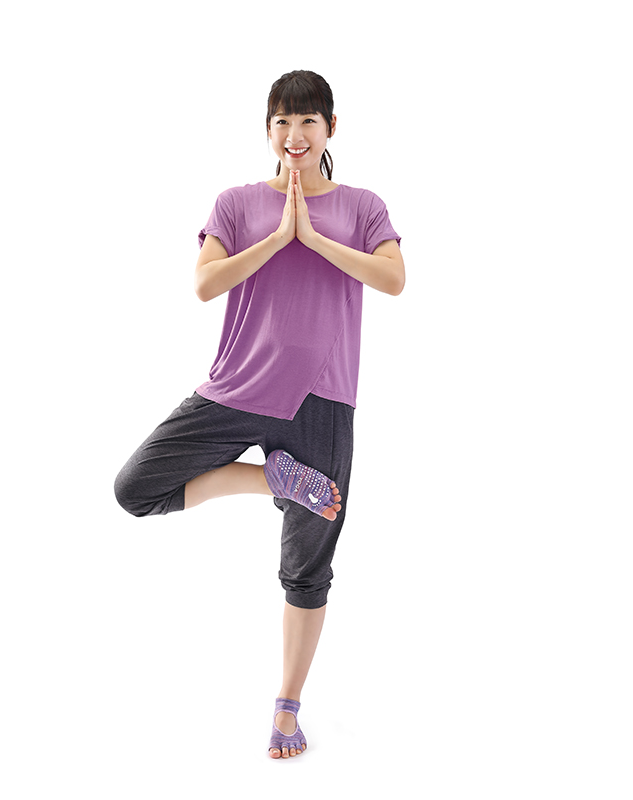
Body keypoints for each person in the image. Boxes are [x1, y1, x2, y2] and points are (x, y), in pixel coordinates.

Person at [114, 70, 404, 759]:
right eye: (282, 122)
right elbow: (204, 284)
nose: (294, 135)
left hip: (322, 401)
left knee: (306, 570)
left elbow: (393, 279)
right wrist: (276, 238)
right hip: (237, 387)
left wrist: (314, 238)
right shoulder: (238, 203)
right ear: (267, 130)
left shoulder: (363, 206)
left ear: (331, 128)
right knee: (135, 488)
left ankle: (286, 707)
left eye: (307, 122)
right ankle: (274, 478)